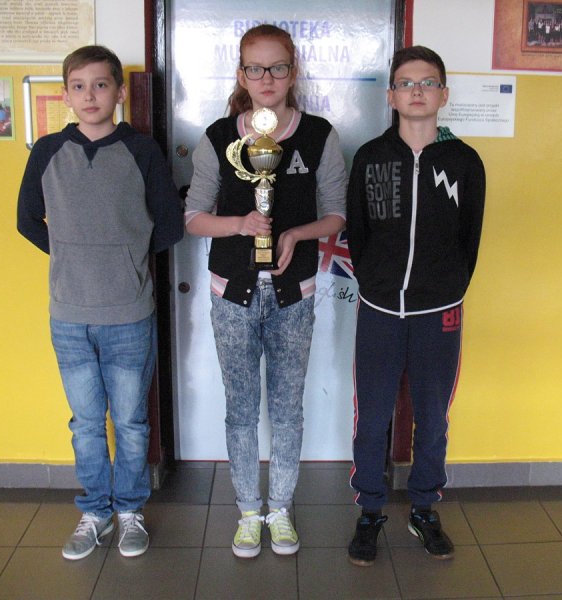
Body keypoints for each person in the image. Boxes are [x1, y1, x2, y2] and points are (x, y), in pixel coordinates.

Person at [184, 24, 347, 558]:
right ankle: (248, 512)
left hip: (294, 293)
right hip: (230, 292)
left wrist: (295, 234)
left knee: (287, 407)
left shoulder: (319, 135)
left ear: (292, 72)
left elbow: (337, 214)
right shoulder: (218, 137)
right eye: (255, 68)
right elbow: (193, 217)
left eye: (277, 67)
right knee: (240, 408)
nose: (267, 78)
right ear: (241, 74)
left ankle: (280, 508)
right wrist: (240, 225)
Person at [16, 45, 183, 560]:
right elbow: (27, 220)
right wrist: (72, 256)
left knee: (130, 422)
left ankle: (130, 510)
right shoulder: (47, 151)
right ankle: (95, 512)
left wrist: (125, 261)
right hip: (69, 315)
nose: (90, 95)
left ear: (118, 92)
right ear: (66, 95)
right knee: (86, 423)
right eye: (79, 86)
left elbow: (169, 225)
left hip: (128, 313)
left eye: (101, 84)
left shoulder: (142, 150)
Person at [345, 45, 485, 566]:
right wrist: (377, 284)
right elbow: (359, 232)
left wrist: (447, 289)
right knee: (372, 417)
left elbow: (470, 238)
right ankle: (369, 510)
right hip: (380, 310)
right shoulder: (371, 157)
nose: (417, 91)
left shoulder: (465, 162)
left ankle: (424, 507)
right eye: (406, 83)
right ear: (392, 96)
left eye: (427, 82)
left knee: (432, 416)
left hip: (439, 313)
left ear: (443, 94)